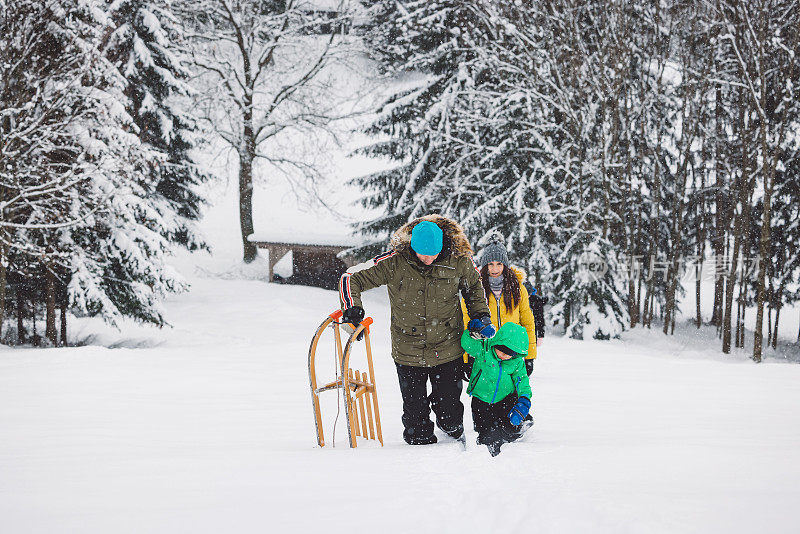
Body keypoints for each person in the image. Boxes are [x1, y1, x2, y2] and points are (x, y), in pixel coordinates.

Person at [338, 215, 491, 445]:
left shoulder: (458, 260)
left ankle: (444, 415)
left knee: (452, 419)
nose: (428, 259)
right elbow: (350, 278)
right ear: (412, 246)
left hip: (447, 347)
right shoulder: (394, 262)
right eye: (422, 254)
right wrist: (352, 308)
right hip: (408, 349)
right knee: (416, 428)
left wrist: (480, 315)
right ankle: (417, 459)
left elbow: (475, 288)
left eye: (433, 254)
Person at [461, 239, 537, 375]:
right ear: (485, 265)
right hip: (485, 355)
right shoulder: (475, 289)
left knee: (511, 394)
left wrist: (529, 356)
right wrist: (467, 357)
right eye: (490, 264)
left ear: (505, 265)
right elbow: (465, 324)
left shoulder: (518, 289)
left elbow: (527, 323)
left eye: (499, 264)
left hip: (511, 354)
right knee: (485, 394)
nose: (494, 269)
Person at [461, 321, 533, 456]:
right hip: (481, 400)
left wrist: (524, 399)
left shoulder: (516, 361)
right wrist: (472, 331)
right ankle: (490, 449)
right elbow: (466, 343)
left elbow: (522, 380)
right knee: (485, 434)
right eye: (502, 351)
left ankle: (522, 423)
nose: (504, 356)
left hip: (505, 398)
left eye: (509, 354)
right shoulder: (484, 349)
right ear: (497, 342)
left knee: (510, 425)